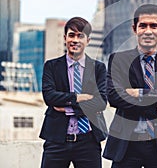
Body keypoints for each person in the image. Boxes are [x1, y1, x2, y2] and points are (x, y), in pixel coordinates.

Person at [103, 4, 157, 168]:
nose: (148, 31)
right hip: (127, 146)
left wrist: (139, 93)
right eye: (143, 25)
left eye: (154, 26)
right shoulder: (119, 60)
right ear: (134, 29)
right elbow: (114, 97)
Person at [40, 17, 107, 168]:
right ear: (65, 38)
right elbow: (49, 97)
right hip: (57, 139)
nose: (75, 40)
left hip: (89, 140)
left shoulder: (99, 68)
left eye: (80, 36)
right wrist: (78, 97)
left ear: (88, 40)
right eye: (71, 35)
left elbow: (101, 102)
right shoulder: (51, 66)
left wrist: (67, 107)